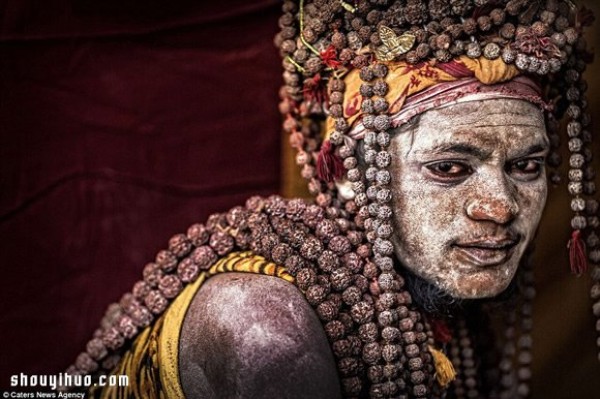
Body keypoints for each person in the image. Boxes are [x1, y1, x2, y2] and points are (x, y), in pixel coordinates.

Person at [65, 1, 599, 398]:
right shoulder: (263, 327)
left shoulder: (434, 312)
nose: (500, 206)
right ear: (346, 170)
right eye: (449, 168)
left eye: (526, 166)